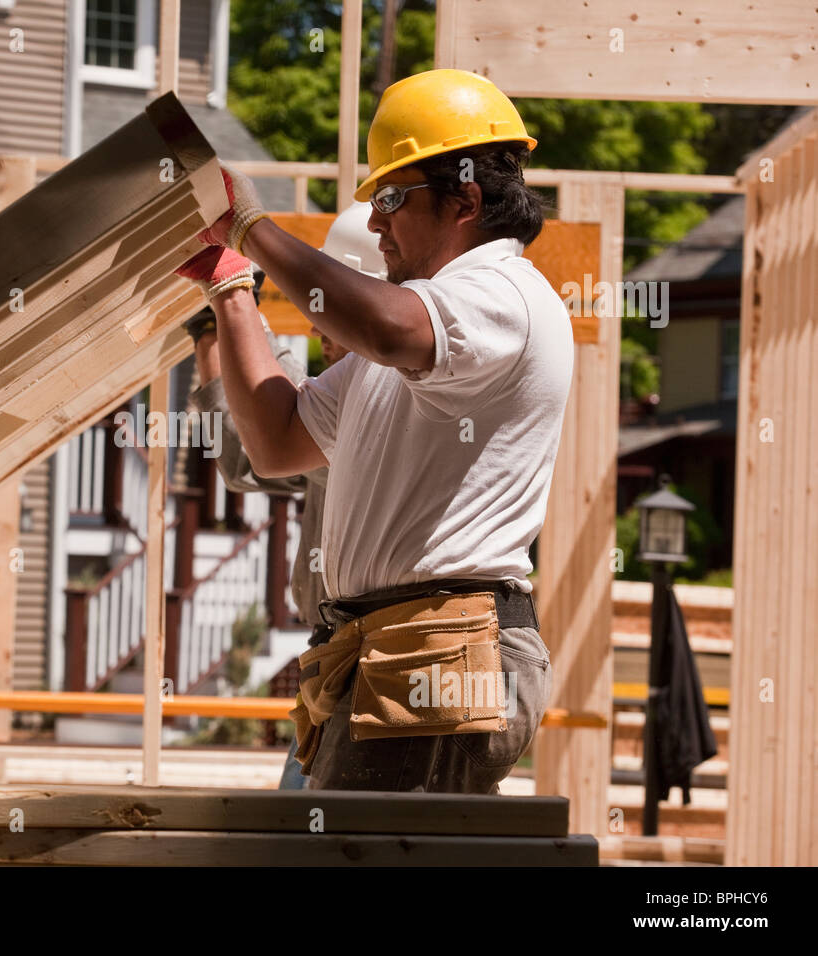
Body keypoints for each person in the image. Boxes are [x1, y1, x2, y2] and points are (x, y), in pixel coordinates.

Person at [173, 69, 573, 793]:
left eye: (391, 198)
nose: (378, 220)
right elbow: (276, 441)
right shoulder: (418, 331)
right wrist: (230, 287)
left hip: (444, 649)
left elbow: (383, 328)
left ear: (467, 199)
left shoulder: (501, 295)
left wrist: (251, 229)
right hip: (392, 646)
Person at [182, 203, 387, 790]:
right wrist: (223, 323)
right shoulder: (353, 393)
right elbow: (261, 440)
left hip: (370, 662)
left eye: (331, 309)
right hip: (342, 660)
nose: (318, 327)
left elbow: (267, 433)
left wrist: (229, 303)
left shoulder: (384, 401)